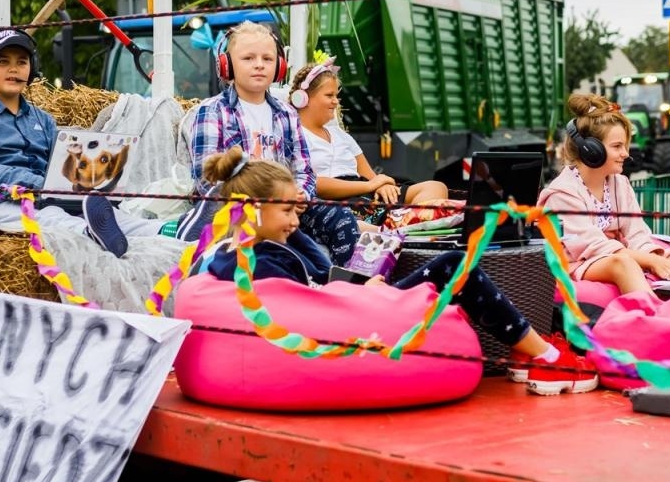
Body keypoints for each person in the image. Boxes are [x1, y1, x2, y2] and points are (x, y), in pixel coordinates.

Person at [197, 147, 601, 394]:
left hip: (355, 301)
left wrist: (356, 280)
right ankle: (543, 355)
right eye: (286, 211)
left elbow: (322, 275)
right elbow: (306, 309)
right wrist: (362, 292)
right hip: (356, 317)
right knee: (454, 266)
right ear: (250, 210)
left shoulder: (258, 246)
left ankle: (529, 347)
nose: (295, 221)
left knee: (444, 265)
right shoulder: (261, 262)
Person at [0, 26, 161, 257]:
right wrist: (39, 182)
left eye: (22, 62)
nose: (13, 69)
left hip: (46, 197)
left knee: (114, 215)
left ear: (32, 69)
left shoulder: (42, 119)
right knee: (53, 217)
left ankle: (169, 229)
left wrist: (73, 182)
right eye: (2, 61)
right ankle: (91, 234)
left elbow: (56, 165)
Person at [178, 22, 360, 265]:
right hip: (238, 208)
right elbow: (207, 178)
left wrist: (300, 195)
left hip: (287, 206)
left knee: (343, 220)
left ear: (279, 66)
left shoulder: (287, 113)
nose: (259, 64)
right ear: (227, 65)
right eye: (248, 58)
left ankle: (344, 283)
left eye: (267, 58)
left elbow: (304, 170)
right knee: (282, 251)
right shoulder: (212, 112)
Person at [537, 94, 670, 294]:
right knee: (622, 263)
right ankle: (653, 317)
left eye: (625, 145)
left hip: (615, 253)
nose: (626, 153)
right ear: (591, 150)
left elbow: (637, 232)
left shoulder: (620, 184)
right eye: (617, 146)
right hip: (577, 262)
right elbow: (593, 246)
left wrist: (656, 257)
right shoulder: (561, 193)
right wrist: (650, 261)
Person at [287, 57, 449, 206]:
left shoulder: (342, 136)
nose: (336, 101)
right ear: (303, 98)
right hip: (338, 201)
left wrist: (382, 185)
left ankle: (404, 223)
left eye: (337, 95)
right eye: (329, 95)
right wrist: (370, 185)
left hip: (364, 192)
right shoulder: (295, 136)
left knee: (435, 187)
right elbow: (311, 183)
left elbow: (372, 177)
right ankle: (403, 224)